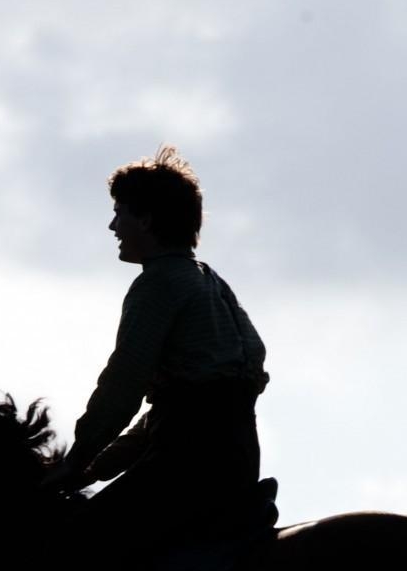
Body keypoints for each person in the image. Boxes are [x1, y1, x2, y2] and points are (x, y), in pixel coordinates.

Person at [46, 145, 269, 549]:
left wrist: (78, 459)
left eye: (120, 213)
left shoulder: (158, 284)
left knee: (74, 546)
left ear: (146, 220)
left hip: (186, 467)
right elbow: (181, 406)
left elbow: (124, 385)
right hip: (237, 463)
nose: (112, 226)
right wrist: (99, 465)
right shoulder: (213, 283)